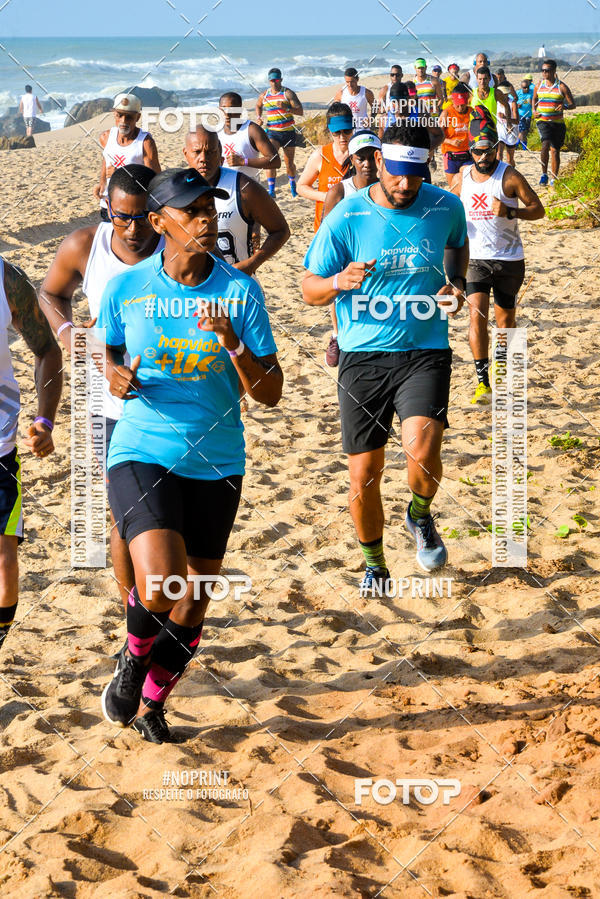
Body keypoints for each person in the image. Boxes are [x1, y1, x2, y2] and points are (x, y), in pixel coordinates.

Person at [98, 167, 282, 743]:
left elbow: (271, 393)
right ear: (159, 222)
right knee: (160, 584)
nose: (206, 220)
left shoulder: (239, 291)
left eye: (210, 209)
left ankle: (152, 702)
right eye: (192, 211)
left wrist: (234, 347)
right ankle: (131, 666)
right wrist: (112, 372)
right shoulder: (127, 288)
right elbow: (106, 347)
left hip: (218, 458)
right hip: (142, 446)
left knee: (192, 603)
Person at [302, 122, 468, 584]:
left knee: (423, 453)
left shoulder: (445, 206)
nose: (405, 184)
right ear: (378, 162)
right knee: (365, 475)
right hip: (363, 357)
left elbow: (457, 244)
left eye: (415, 175)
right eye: (396, 173)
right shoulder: (347, 215)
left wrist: (455, 286)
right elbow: (308, 288)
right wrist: (338, 282)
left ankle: (419, 514)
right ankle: (375, 565)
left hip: (425, 349)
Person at [39, 164, 164, 616]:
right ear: (107, 208)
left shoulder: (177, 246)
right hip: (108, 403)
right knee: (126, 515)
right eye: (121, 217)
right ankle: (136, 618)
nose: (132, 229)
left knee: (172, 517)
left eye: (141, 216)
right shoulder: (85, 246)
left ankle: (162, 604)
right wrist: (72, 334)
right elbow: (50, 294)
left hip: (175, 401)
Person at [454, 113, 545, 403]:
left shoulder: (509, 176)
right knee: (476, 317)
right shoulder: (463, 177)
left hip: (509, 260)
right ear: (470, 151)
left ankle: (505, 379)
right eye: (478, 151)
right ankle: (483, 383)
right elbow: (447, 206)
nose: (484, 156)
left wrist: (511, 211)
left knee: (505, 322)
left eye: (489, 150)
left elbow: (538, 209)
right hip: (475, 260)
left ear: (497, 148)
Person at [0, 259, 62, 650]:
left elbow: (47, 350)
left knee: (4, 568)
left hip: (1, 448)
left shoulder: (5, 278)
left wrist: (45, 419)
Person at [183, 125, 290, 275]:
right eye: (196, 152)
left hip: (236, 285)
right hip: (193, 290)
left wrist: (252, 263)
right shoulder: (175, 190)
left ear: (221, 155)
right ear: (185, 153)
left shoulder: (244, 187)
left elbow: (281, 230)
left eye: (210, 152)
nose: (203, 159)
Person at [321, 129, 381, 367]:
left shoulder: (390, 187)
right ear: (352, 160)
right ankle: (336, 336)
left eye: (371, 156)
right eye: (360, 158)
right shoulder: (339, 192)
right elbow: (327, 237)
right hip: (349, 262)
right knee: (341, 298)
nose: (367, 163)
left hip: (381, 260)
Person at [93, 93, 161, 221]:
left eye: (129, 117)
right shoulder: (106, 137)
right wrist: (102, 183)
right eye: (119, 115)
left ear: (138, 117)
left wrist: (121, 173)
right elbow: (106, 159)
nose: (123, 121)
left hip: (133, 208)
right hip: (108, 204)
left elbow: (155, 179)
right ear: (114, 114)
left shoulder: (145, 142)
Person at [297, 103, 353, 232]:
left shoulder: (361, 155)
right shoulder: (320, 155)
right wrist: (328, 196)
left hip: (353, 227)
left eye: (347, 130)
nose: (342, 136)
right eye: (337, 132)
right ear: (329, 130)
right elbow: (301, 187)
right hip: (325, 228)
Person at [256, 68, 304, 198]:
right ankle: (271, 191)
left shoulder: (288, 94)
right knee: (270, 159)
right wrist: (258, 117)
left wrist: (286, 107)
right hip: (272, 133)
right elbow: (258, 105)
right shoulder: (265, 95)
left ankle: (293, 186)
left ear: (281, 80)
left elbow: (300, 111)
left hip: (288, 133)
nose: (274, 83)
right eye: (272, 80)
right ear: (269, 81)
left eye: (277, 80)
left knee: (289, 163)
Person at [217, 91, 280, 181]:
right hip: (223, 187)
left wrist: (243, 161)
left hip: (248, 188)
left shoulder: (252, 130)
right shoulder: (216, 132)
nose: (227, 114)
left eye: (232, 109)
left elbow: (275, 161)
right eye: (223, 109)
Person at [533, 60, 576, 185]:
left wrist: (565, 106)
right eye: (543, 70)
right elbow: (534, 99)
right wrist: (533, 110)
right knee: (545, 144)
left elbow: (573, 104)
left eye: (547, 70)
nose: (544, 73)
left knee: (555, 150)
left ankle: (553, 178)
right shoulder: (539, 85)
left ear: (554, 71)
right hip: (542, 121)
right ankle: (544, 174)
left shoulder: (561, 86)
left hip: (557, 123)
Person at [439, 84, 472, 186]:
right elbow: (437, 136)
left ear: (467, 101)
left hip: (467, 155)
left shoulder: (472, 112)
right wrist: (450, 141)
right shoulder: (446, 113)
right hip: (451, 155)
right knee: (453, 187)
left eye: (462, 104)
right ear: (453, 101)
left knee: (467, 185)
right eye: (457, 104)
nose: (460, 107)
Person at [494, 69, 519, 165]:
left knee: (510, 159)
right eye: (501, 93)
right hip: (500, 131)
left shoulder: (512, 103)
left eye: (505, 93)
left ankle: (511, 172)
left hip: (511, 131)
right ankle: (498, 173)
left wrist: (505, 117)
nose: (503, 95)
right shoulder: (496, 102)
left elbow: (517, 121)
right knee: (499, 154)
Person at [516, 77, 535, 149]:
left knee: (525, 132)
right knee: (522, 131)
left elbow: (535, 102)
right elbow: (511, 100)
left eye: (527, 87)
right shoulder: (517, 93)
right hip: (520, 115)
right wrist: (517, 104)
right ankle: (524, 148)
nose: (526, 89)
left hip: (528, 115)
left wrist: (532, 103)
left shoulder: (532, 93)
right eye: (524, 88)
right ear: (521, 87)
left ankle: (517, 145)